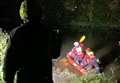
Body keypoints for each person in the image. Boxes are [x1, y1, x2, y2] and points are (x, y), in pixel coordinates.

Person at [3, 0, 54, 83]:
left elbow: (9, 61)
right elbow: (53, 54)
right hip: (45, 78)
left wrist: (8, 79)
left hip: (25, 78)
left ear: (23, 13)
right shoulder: (47, 31)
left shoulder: (17, 33)